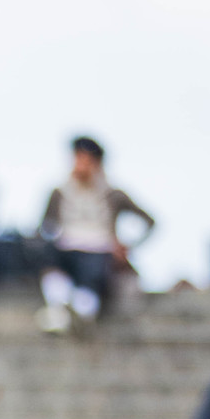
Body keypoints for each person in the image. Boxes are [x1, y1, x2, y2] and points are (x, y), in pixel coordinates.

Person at [38, 136, 153, 332]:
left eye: (87, 160)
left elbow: (149, 221)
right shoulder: (60, 193)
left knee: (92, 274)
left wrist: (127, 246)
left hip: (99, 252)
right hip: (66, 250)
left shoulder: (112, 195)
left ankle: (82, 311)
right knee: (49, 261)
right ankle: (60, 309)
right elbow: (43, 228)